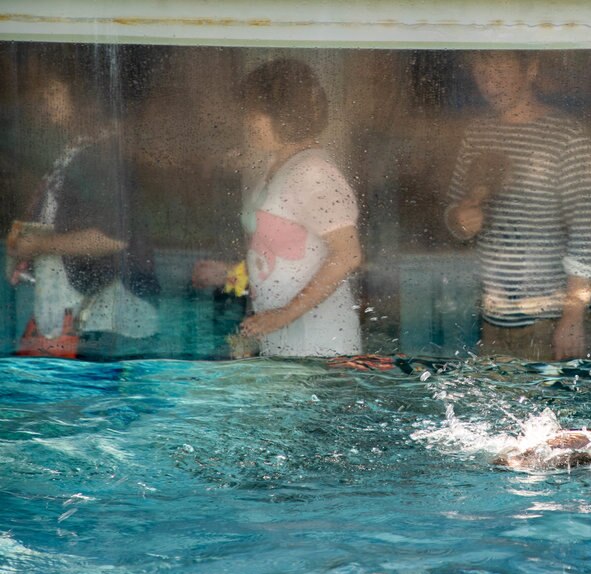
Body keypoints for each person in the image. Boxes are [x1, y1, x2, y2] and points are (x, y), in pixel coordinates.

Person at [192, 59, 362, 357]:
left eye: (255, 112)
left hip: (318, 345)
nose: (247, 121)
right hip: (283, 339)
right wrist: (231, 275)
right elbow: (282, 257)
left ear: (284, 115)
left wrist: (284, 314)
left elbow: (348, 254)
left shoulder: (314, 172)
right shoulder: (278, 166)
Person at [445, 51, 591, 361]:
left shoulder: (568, 137)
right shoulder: (478, 134)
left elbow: (587, 234)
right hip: (494, 315)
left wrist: (572, 319)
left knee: (553, 408)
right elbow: (453, 214)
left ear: (531, 70)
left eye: (501, 71)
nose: (491, 83)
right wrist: (459, 219)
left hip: (551, 320)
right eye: (482, 71)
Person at [6, 59, 160, 358]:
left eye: (53, 93)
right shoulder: (79, 149)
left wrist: (39, 244)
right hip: (80, 315)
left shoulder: (101, 156)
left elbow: (111, 238)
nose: (43, 103)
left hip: (106, 323)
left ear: (81, 99)